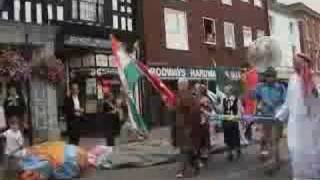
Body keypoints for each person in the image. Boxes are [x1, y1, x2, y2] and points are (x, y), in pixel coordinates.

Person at [275, 53, 320, 179]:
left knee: (312, 154)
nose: (295, 64)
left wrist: (311, 86)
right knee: (296, 152)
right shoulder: (292, 79)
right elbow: (288, 102)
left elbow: (317, 100)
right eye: (294, 62)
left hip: (311, 124)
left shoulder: (314, 77)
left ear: (305, 63)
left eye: (297, 62)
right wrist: (279, 116)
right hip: (295, 125)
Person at [255, 67, 286, 172]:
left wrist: (279, 111)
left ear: (275, 77)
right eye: (267, 76)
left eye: (271, 76)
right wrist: (258, 108)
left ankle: (272, 165)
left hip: (277, 118)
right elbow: (256, 98)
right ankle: (275, 160)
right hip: (265, 118)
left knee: (274, 141)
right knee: (268, 140)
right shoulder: (261, 88)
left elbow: (285, 103)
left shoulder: (280, 88)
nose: (268, 78)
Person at [174, 79, 202, 178]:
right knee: (188, 150)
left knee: (184, 150)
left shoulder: (187, 96)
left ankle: (181, 170)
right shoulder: (179, 95)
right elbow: (176, 109)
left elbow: (190, 109)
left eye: (180, 84)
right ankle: (196, 164)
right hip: (181, 126)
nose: (178, 86)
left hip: (187, 127)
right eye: (178, 85)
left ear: (184, 85)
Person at [222, 84, 242, 162]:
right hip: (226, 121)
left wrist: (238, 118)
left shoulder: (236, 99)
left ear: (230, 91)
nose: (225, 92)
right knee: (227, 137)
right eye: (224, 90)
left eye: (226, 90)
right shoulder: (223, 100)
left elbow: (239, 110)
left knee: (235, 136)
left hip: (234, 121)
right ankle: (229, 153)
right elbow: (221, 109)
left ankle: (237, 149)